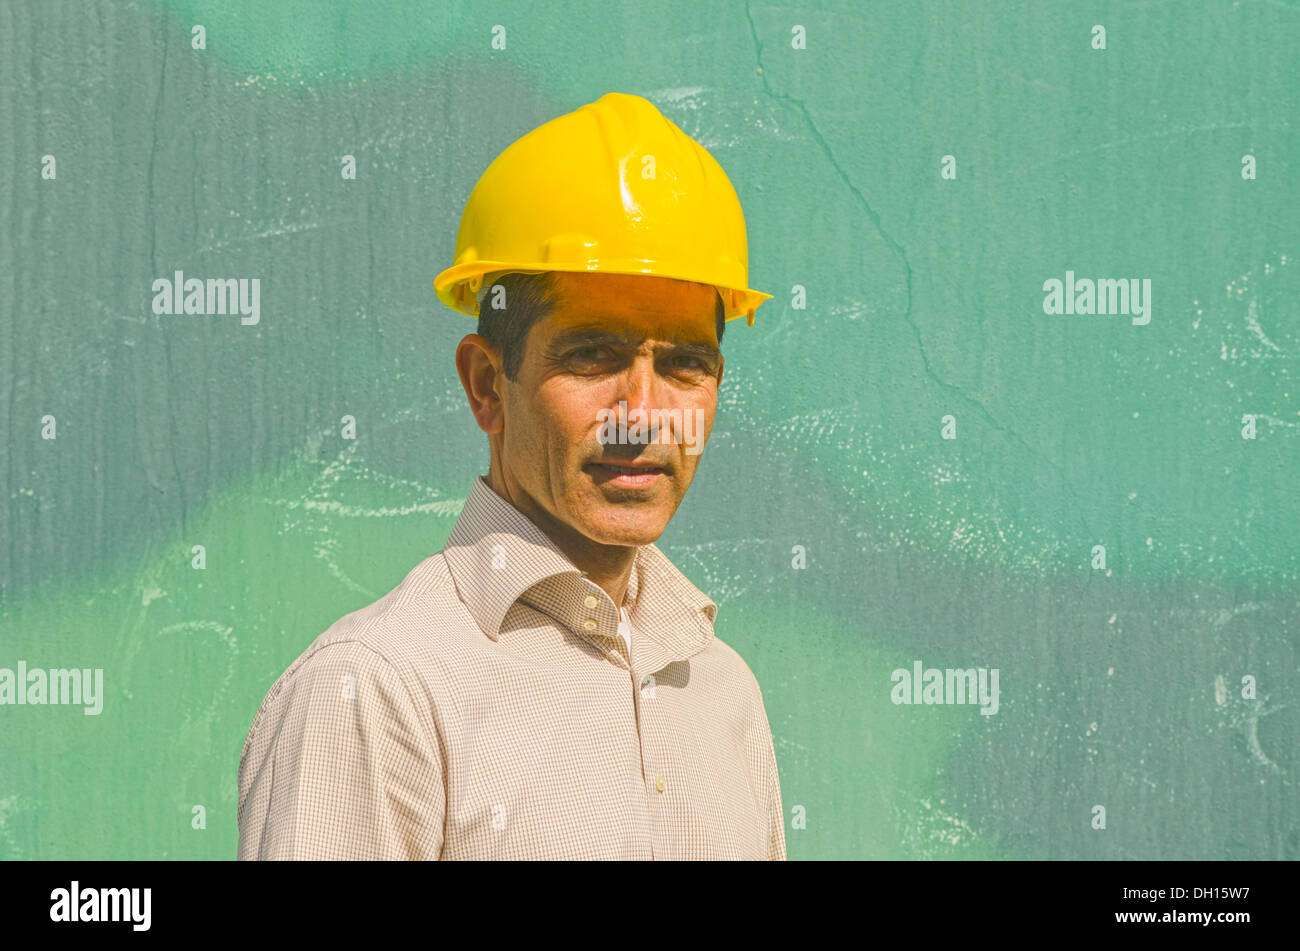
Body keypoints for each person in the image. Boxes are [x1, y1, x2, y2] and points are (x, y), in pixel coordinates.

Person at [236, 91, 784, 859]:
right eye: (593, 355)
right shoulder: (375, 691)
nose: (644, 412)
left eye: (685, 364)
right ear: (488, 384)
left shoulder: (722, 693)